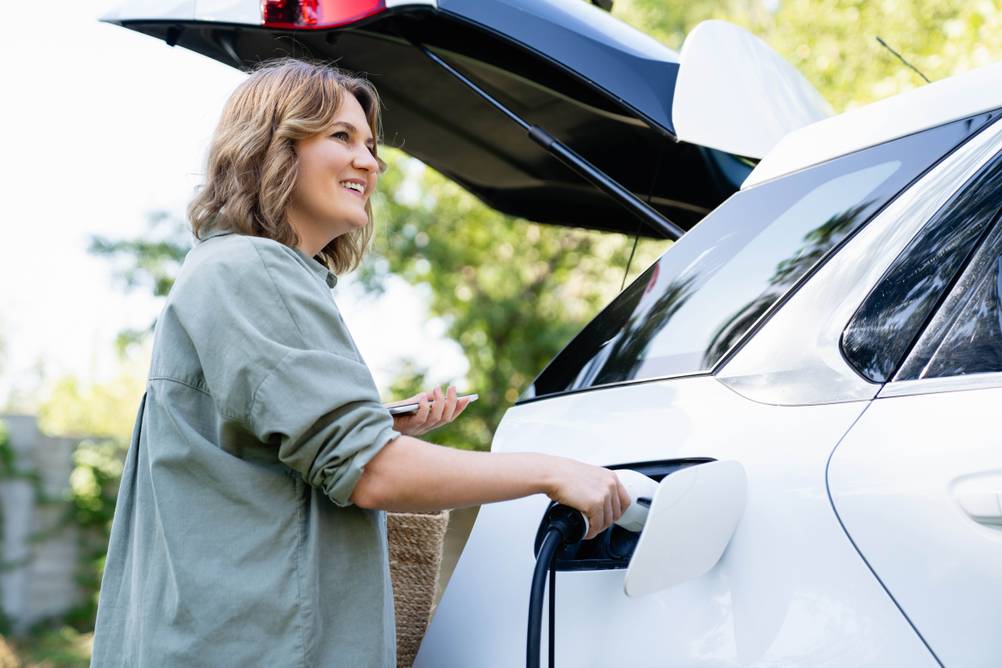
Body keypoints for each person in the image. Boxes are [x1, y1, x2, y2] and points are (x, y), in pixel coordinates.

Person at [90, 58, 630, 668]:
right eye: (341, 137)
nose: (369, 162)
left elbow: (254, 450)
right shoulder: (252, 270)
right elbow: (373, 474)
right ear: (272, 148)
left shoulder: (235, 271)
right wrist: (552, 471)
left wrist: (379, 427)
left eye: (370, 146)